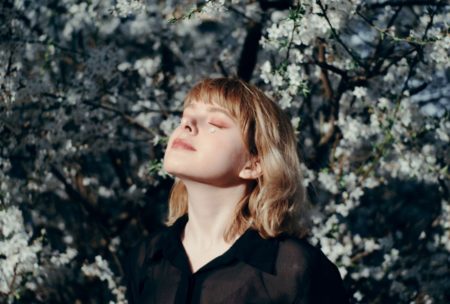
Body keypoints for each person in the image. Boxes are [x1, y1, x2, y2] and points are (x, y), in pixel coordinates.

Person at [123, 78, 349, 304]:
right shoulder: (147, 258)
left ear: (253, 163)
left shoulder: (295, 271)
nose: (187, 124)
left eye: (215, 123)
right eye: (184, 117)